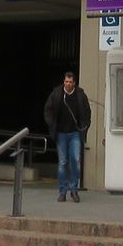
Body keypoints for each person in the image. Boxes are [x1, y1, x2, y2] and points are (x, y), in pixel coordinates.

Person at [43, 70, 91, 203]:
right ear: (63, 82)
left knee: (75, 160)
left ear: (74, 83)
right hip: (61, 133)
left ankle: (74, 190)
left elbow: (87, 112)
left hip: (75, 133)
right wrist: (52, 123)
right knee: (63, 162)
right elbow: (48, 109)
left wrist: (85, 126)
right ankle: (62, 191)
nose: (68, 84)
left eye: (70, 82)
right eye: (66, 82)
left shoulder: (80, 95)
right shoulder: (57, 93)